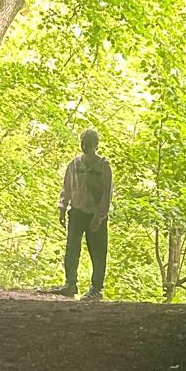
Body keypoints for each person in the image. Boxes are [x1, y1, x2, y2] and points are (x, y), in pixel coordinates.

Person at [54, 126, 113, 299]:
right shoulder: (75, 164)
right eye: (83, 142)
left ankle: (96, 288)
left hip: (95, 215)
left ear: (96, 145)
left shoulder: (103, 166)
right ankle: (70, 283)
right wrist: (62, 207)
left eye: (88, 143)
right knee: (72, 249)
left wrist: (100, 216)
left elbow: (107, 193)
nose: (85, 146)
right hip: (77, 212)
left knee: (98, 252)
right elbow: (67, 187)